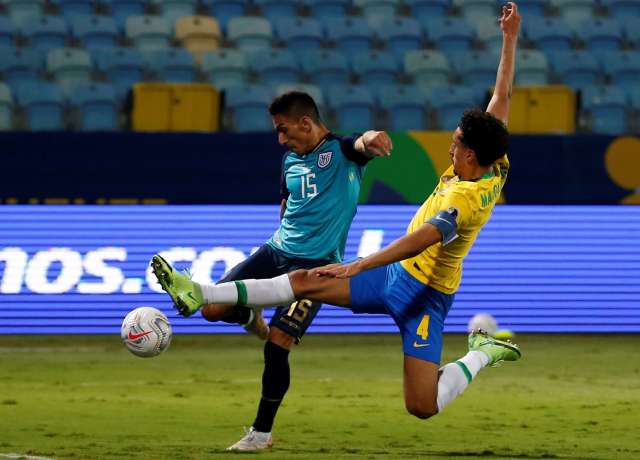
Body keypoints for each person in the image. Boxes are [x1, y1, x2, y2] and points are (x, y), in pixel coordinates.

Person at [153, 1, 521, 433]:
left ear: (471, 155)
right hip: (396, 276)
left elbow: (425, 237)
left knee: (421, 406)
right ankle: (198, 290)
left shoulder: (465, 199)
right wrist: (510, 38)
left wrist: (360, 263)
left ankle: (482, 351)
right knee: (309, 279)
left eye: (457, 143)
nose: (450, 146)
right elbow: (501, 97)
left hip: (426, 295)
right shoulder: (494, 159)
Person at [170, 91, 392, 450]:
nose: (281, 139)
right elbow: (286, 205)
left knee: (278, 345)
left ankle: (261, 433)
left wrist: (372, 137)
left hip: (317, 267)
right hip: (275, 251)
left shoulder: (340, 153)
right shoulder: (290, 160)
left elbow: (360, 144)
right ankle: (249, 314)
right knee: (210, 310)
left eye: (284, 130)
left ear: (306, 123)